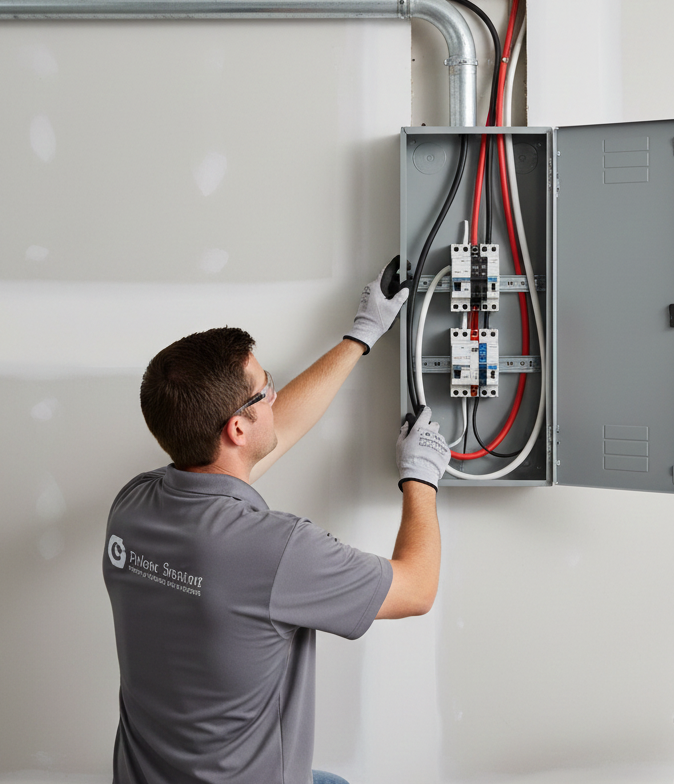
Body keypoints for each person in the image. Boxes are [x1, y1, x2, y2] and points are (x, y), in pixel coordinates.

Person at [102, 266, 450, 784]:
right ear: (237, 427)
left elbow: (270, 437)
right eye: (266, 389)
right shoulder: (276, 551)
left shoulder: (133, 506)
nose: (275, 395)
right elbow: (417, 589)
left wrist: (361, 335)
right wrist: (421, 479)